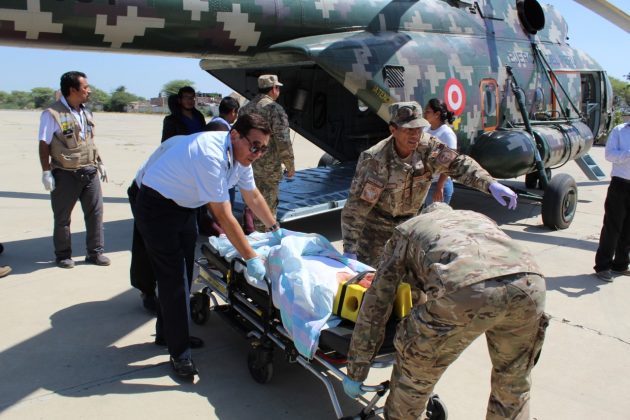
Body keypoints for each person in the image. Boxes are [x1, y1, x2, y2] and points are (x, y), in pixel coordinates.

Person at [344, 203, 549, 420]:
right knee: (513, 384)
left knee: (413, 383)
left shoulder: (408, 231)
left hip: (465, 291)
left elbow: (376, 304)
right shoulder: (476, 216)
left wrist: (357, 370)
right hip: (530, 286)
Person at [134, 113, 281, 378]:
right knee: (174, 280)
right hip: (157, 207)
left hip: (184, 207)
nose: (258, 154)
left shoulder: (241, 157)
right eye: (255, 146)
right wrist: (250, 257)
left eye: (263, 149)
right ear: (234, 135)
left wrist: (275, 229)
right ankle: (179, 353)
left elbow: (253, 196)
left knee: (185, 273)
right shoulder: (210, 154)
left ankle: (168, 334)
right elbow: (223, 214)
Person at [341, 101, 517, 267]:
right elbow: (356, 208)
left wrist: (490, 184)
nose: (415, 135)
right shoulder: (376, 160)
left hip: (412, 226)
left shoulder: (428, 147)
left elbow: (458, 164)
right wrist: (350, 249)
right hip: (376, 232)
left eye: (419, 128)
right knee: (372, 281)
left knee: (415, 280)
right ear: (393, 130)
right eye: (409, 130)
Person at [38, 71, 110, 269]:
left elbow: (89, 141)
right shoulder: (52, 113)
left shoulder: (86, 112)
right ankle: (63, 255)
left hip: (89, 170)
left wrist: (100, 162)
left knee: (95, 214)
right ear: (73, 90)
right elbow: (44, 143)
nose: (89, 90)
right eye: (85, 87)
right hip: (65, 172)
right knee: (62, 217)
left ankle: (95, 253)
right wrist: (46, 171)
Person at [239, 74, 295, 232]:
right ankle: (265, 237)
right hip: (269, 169)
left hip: (248, 165)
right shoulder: (274, 109)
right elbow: (283, 140)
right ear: (274, 89)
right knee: (268, 207)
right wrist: (290, 165)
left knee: (251, 202)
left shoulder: (245, 109)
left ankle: (253, 233)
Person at [594, 121, 630, 281]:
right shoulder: (619, 130)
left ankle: (620, 264)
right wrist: (628, 154)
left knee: (628, 229)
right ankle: (603, 266)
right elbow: (609, 155)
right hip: (620, 184)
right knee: (612, 227)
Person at [423, 98, 457, 205]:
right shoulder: (426, 129)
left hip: (437, 185)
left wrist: (439, 187)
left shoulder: (446, 133)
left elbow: (449, 163)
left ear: (437, 114)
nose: (424, 114)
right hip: (426, 184)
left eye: (428, 111)